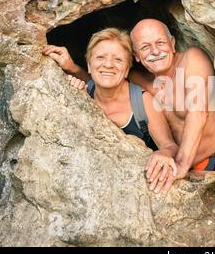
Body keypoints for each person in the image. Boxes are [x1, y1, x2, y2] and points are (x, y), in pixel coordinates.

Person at [44, 28, 178, 194]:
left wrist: (164, 153)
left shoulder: (143, 102)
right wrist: (71, 69)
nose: (108, 64)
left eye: (118, 60)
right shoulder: (83, 92)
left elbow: (170, 145)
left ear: (127, 69)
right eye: (100, 57)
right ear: (89, 65)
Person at [129, 19, 215, 182]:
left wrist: (181, 164)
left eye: (160, 42)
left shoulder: (193, 59)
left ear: (172, 44)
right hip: (182, 167)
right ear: (136, 56)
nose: (155, 51)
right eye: (145, 47)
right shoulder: (139, 79)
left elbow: (198, 112)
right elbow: (106, 81)